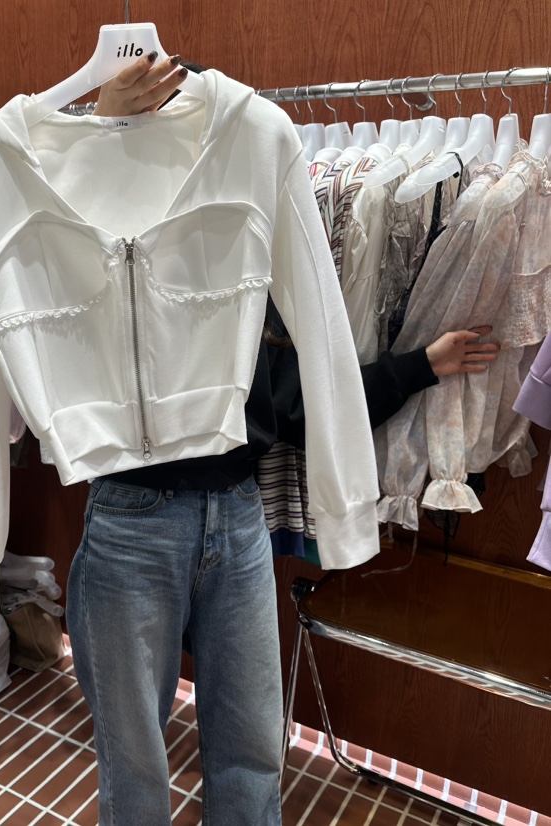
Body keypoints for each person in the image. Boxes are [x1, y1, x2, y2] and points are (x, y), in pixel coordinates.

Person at [65, 55, 499, 826]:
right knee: (134, 772)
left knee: (252, 754)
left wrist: (417, 368)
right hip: (132, 513)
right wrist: (102, 138)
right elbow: (54, 307)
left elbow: (299, 386)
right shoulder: (80, 195)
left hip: (237, 515)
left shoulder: (249, 206)